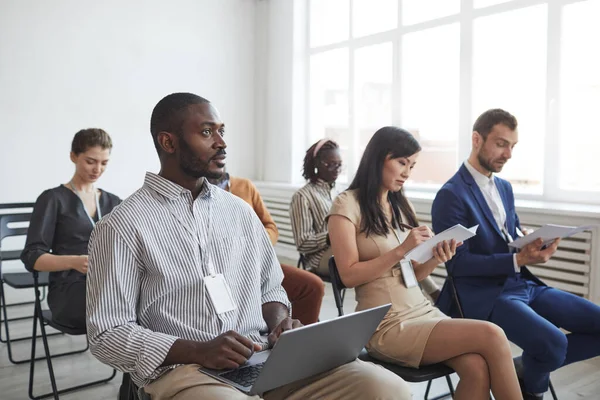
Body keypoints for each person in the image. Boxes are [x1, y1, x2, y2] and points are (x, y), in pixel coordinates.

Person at [86, 93, 411, 400]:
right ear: (168, 142)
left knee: (384, 387)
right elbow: (107, 335)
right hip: (187, 369)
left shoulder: (239, 211)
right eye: (206, 132)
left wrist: (281, 321)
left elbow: (270, 289)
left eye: (221, 131)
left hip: (265, 358)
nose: (221, 142)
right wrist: (198, 350)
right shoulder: (121, 226)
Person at [328, 126, 523, 400]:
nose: (407, 172)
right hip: (387, 324)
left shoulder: (399, 204)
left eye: (413, 165)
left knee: (477, 367)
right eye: (402, 162)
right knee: (492, 334)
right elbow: (348, 275)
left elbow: (414, 274)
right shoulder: (346, 205)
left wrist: (436, 257)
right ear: (378, 158)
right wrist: (401, 249)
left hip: (422, 311)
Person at [431, 109, 600, 400]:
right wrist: (518, 260)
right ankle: (532, 390)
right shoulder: (451, 194)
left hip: (521, 284)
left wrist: (530, 241)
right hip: (484, 295)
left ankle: (525, 371)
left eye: (513, 146)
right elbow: (457, 265)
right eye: (500, 143)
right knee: (554, 344)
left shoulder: (505, 187)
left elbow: (508, 234)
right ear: (476, 139)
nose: (508, 153)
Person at [291, 139, 441, 301]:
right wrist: (332, 236)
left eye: (340, 164)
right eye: (331, 164)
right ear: (316, 164)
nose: (337, 169)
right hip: (320, 257)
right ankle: (435, 293)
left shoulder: (341, 192)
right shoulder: (302, 196)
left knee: (387, 244)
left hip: (345, 246)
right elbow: (303, 243)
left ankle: (425, 293)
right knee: (382, 245)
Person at [20, 128, 120, 330]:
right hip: (70, 290)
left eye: (104, 163)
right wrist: (75, 262)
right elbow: (32, 256)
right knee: (120, 309)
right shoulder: (53, 199)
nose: (97, 169)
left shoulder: (114, 201)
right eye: (90, 161)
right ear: (73, 156)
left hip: (111, 283)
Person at [209, 170, 325, 325]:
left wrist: (256, 244)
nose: (219, 147)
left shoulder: (245, 186)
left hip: (256, 260)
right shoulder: (194, 191)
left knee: (312, 285)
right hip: (220, 266)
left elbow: (271, 226)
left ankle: (301, 341)